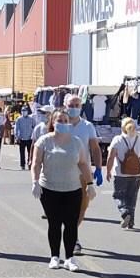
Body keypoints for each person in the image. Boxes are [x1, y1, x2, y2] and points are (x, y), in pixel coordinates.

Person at [32, 108, 91, 270]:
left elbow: (83, 164)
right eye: (59, 120)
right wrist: (35, 182)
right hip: (49, 188)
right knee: (55, 223)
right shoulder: (44, 141)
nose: (63, 123)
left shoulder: (76, 141)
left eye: (65, 120)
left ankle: (70, 258)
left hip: (72, 189)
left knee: (71, 224)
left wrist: (90, 184)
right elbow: (36, 163)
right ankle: (54, 256)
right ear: (52, 122)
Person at [63, 94, 104, 250]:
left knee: (82, 206)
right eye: (71, 105)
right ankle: (72, 237)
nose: (73, 108)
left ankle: (72, 234)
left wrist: (99, 168)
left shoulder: (87, 126)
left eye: (77, 105)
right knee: (66, 207)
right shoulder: (60, 124)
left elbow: (94, 148)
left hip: (82, 173)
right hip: (61, 173)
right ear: (65, 106)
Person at [106, 117, 140, 229]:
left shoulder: (118, 139)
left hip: (120, 174)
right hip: (136, 174)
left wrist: (108, 171)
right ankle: (131, 222)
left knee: (118, 196)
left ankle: (125, 213)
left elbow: (111, 157)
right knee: (132, 198)